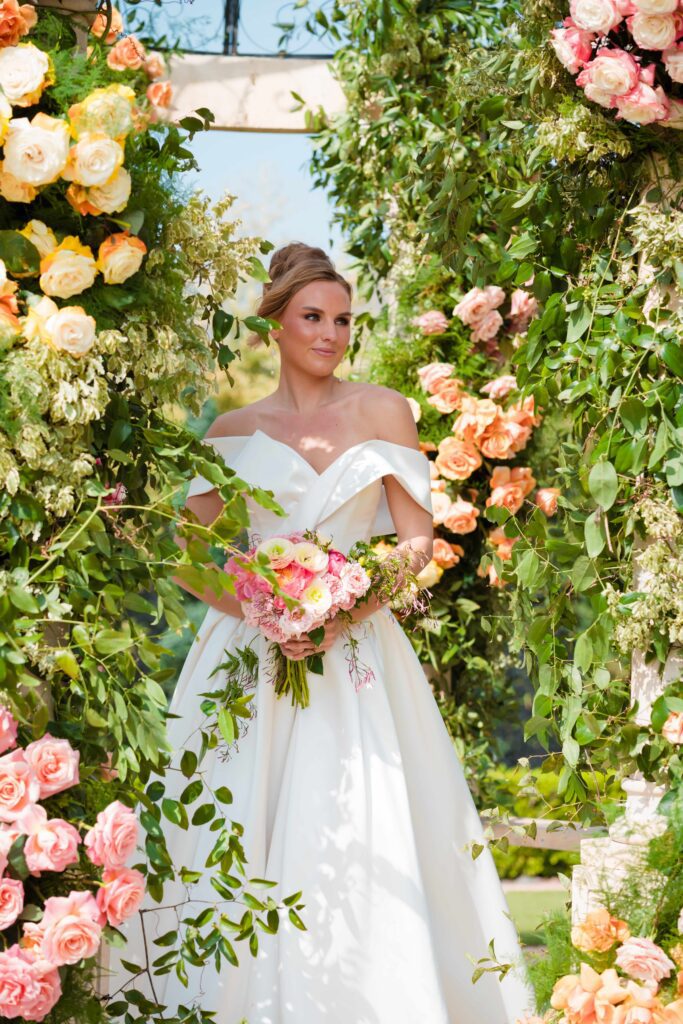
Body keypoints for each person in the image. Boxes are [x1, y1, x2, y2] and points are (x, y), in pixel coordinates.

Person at [110, 243, 532, 1023]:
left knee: (366, 821)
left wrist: (340, 615)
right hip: (243, 654)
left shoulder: (383, 411)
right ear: (274, 323)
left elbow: (416, 544)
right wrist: (265, 613)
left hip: (356, 648)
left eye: (343, 319)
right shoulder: (234, 429)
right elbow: (188, 559)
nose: (332, 333)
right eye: (313, 317)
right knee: (229, 818)